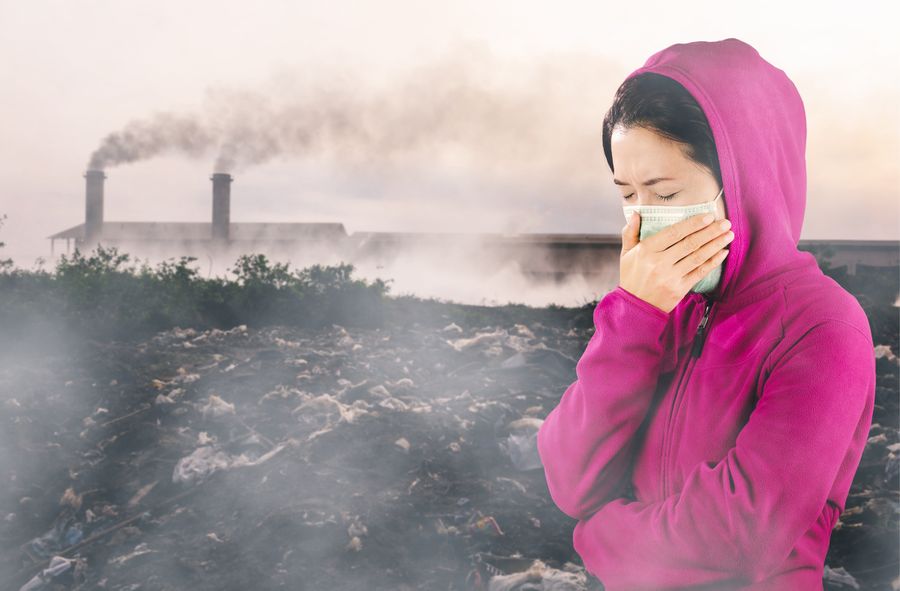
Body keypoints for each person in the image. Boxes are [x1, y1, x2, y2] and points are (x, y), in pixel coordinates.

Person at [536, 38, 876, 591]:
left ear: (748, 183)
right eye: (628, 194)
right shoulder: (661, 304)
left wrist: (598, 536)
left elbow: (738, 538)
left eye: (665, 194)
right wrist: (633, 318)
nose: (644, 221)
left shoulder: (824, 328)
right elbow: (570, 477)